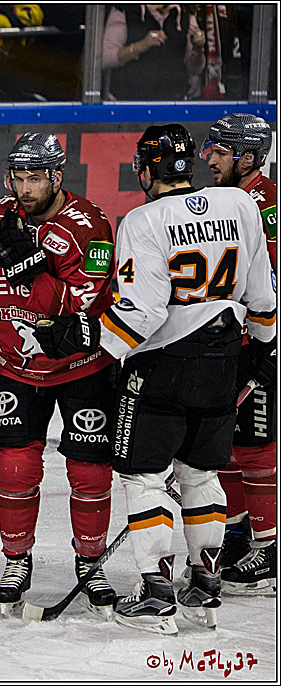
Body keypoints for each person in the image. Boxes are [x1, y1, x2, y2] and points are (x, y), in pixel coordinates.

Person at [35, 124, 276, 635]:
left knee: (144, 478)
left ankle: (156, 591)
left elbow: (139, 314)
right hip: (224, 357)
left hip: (163, 367)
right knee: (202, 475)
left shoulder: (142, 220)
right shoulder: (240, 205)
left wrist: (82, 340)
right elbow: (262, 295)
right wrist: (265, 353)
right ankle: (204, 587)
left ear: (146, 170)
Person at [0, 132, 119, 617]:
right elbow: (0, 290)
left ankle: (91, 563)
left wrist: (32, 269)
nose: (23, 188)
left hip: (83, 367)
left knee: (89, 471)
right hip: (18, 366)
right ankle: (16, 561)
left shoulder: (93, 226)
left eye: (34, 178)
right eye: (16, 177)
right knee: (13, 467)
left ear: (57, 177)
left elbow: (81, 304)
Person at [200, 113, 276, 596]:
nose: (210, 159)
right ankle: (238, 531)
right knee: (228, 441)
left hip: (265, 338)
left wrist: (269, 343)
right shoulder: (229, 200)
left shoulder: (266, 202)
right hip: (236, 339)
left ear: (247, 159)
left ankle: (269, 548)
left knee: (256, 443)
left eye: (222, 152)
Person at [102, 5, 206, 101]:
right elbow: (104, 59)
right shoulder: (125, 9)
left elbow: (194, 70)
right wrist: (141, 46)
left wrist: (199, 49)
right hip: (127, 103)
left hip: (173, 103)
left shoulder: (185, 13)